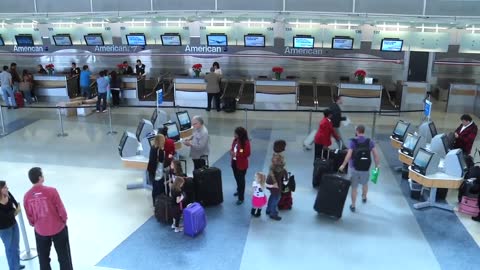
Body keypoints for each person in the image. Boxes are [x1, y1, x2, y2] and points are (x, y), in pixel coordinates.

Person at [24, 167, 73, 270]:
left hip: (41, 231)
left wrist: (35, 224)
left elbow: (29, 216)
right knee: (64, 257)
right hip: (58, 228)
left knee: (43, 258)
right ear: (40, 177)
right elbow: (61, 209)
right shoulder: (52, 191)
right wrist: (64, 219)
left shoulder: (27, 196)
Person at [339, 125, 380, 212]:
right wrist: (377, 165)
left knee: (354, 187)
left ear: (357, 131)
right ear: (363, 131)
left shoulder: (353, 142)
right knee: (365, 183)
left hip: (354, 167)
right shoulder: (370, 141)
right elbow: (375, 155)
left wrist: (343, 165)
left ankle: (353, 205)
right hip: (365, 167)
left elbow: (349, 155)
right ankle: (364, 197)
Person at [0, 181, 25, 270]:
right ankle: (13, 268)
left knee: (16, 246)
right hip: (4, 229)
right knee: (9, 249)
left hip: (14, 224)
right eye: (5, 187)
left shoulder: (8, 193)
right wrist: (14, 211)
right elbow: (5, 217)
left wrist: (15, 209)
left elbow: (14, 202)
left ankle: (17, 264)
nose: (7, 188)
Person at [231, 127, 251, 205]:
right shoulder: (235, 140)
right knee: (237, 179)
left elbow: (247, 154)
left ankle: (241, 198)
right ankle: (239, 190)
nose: (234, 135)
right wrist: (232, 152)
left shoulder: (246, 142)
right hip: (234, 163)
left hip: (242, 165)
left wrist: (237, 154)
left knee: (241, 181)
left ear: (240, 134)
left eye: (236, 133)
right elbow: (232, 148)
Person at [147, 134, 167, 205]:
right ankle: (160, 203)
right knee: (159, 188)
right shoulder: (160, 151)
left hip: (152, 171)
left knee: (154, 188)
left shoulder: (152, 147)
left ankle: (155, 202)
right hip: (158, 173)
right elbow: (162, 162)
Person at [266, 153, 286, 221]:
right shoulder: (278, 167)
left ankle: (268, 209)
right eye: (281, 160)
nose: (282, 161)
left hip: (271, 182)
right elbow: (274, 175)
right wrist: (275, 183)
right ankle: (273, 213)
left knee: (272, 196)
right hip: (275, 184)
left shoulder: (272, 166)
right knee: (276, 198)